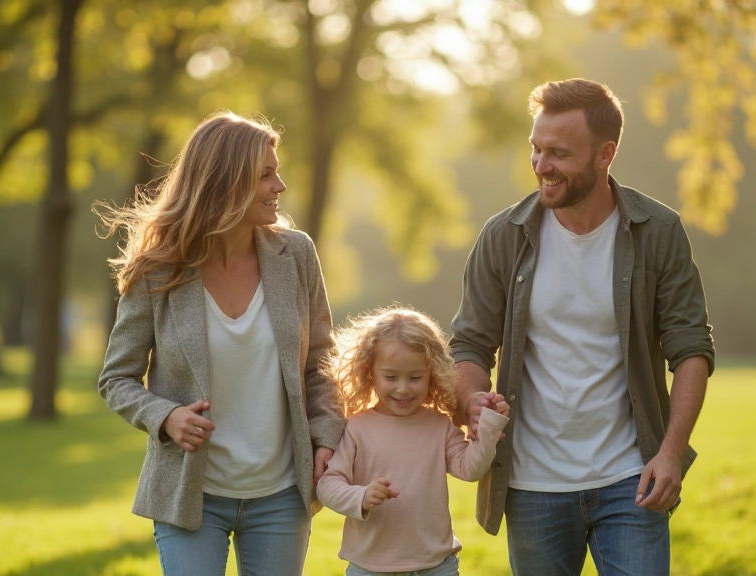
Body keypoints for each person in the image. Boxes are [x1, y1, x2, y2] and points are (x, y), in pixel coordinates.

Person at [449, 78, 715, 575]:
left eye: (559, 153)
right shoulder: (503, 236)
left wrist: (671, 453)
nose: (541, 165)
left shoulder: (658, 232)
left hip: (632, 479)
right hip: (532, 486)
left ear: (605, 154)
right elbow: (469, 343)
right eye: (536, 148)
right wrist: (471, 401)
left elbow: (691, 349)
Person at [96, 111, 346, 576]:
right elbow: (116, 378)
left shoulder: (296, 255)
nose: (280, 186)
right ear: (226, 182)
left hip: (280, 496)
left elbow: (320, 363)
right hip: (191, 495)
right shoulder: (158, 268)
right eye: (266, 175)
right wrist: (166, 417)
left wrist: (326, 436)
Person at [317, 306, 510, 576]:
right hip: (370, 568)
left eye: (415, 377)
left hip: (436, 567)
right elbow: (327, 485)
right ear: (370, 372)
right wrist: (361, 496)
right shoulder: (357, 428)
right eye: (391, 377)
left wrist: (488, 427)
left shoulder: (440, 425)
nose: (403, 388)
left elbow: (470, 469)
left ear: (433, 373)